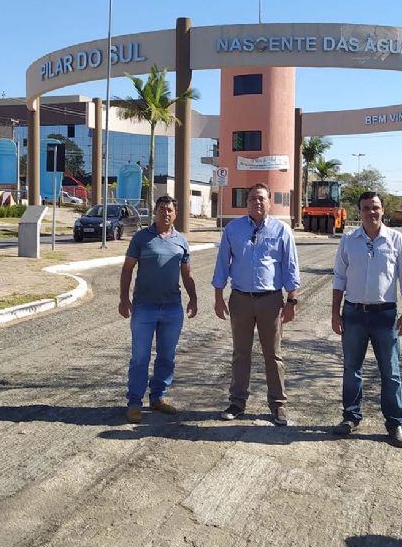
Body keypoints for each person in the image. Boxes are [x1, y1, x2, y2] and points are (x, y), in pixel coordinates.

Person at [331, 191, 402, 448]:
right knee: (351, 369)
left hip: (385, 316)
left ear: (383, 210)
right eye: (366, 208)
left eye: (375, 207)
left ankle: (395, 423)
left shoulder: (396, 240)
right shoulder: (349, 240)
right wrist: (335, 313)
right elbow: (339, 278)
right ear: (359, 211)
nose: (371, 212)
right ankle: (350, 416)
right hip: (354, 314)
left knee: (390, 372)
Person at [212, 183, 300, 426]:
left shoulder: (281, 230)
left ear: (269, 202)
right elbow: (222, 264)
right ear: (247, 203)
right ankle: (237, 402)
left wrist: (292, 300)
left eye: (261, 198)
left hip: (271, 301)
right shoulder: (233, 229)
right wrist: (218, 297)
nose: (257, 202)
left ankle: (278, 404)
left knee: (273, 355)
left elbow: (291, 267)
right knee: (240, 353)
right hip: (240, 299)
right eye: (252, 199)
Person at [119, 195, 198, 424]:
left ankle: (158, 397)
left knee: (166, 356)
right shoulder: (141, 238)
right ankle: (135, 402)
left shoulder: (181, 241)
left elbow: (187, 274)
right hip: (144, 307)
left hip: (172, 308)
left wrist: (193, 298)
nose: (166, 213)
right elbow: (127, 269)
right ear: (155, 212)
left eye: (170, 210)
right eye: (162, 209)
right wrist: (124, 298)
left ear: (175, 214)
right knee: (140, 357)